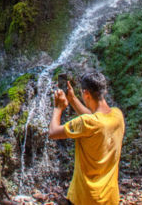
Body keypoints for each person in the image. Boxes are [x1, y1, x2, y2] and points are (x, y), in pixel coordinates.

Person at [48, 72, 126, 205]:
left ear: (86, 93)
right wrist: (72, 99)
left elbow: (53, 132)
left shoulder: (85, 123)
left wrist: (58, 108)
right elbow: (95, 119)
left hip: (84, 198)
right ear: (104, 90)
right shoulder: (117, 115)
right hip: (110, 198)